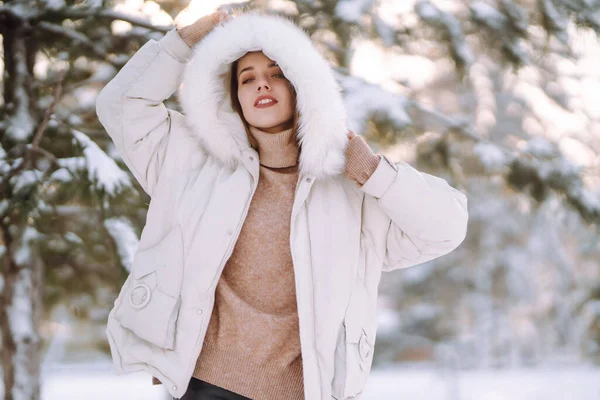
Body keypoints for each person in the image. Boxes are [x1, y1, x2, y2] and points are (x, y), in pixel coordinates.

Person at [96, 9, 469, 400]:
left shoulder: (351, 192)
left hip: (301, 391)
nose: (262, 85)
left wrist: (375, 173)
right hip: (205, 383)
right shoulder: (191, 160)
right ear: (233, 96)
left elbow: (446, 228)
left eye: (277, 73)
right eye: (248, 78)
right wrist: (185, 40)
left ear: (301, 85)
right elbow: (121, 105)